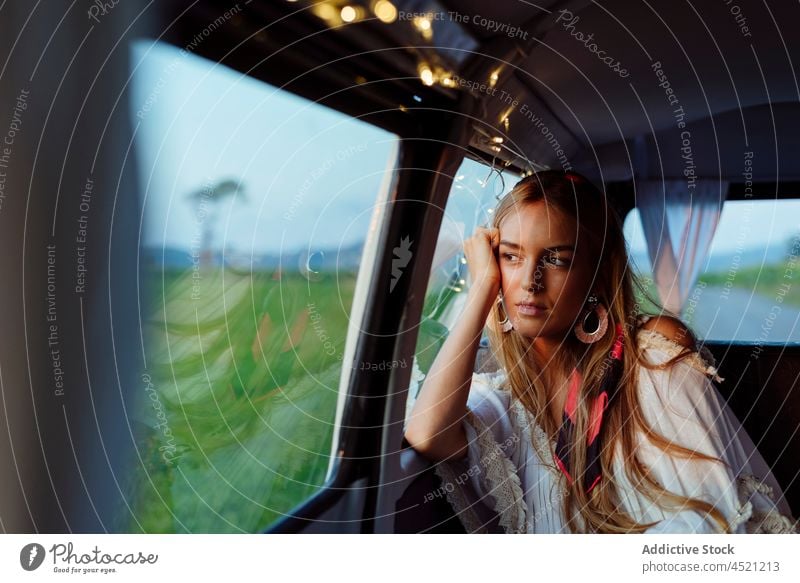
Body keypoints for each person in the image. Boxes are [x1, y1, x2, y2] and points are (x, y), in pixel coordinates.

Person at [404, 170, 798, 534]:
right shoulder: (501, 403)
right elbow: (426, 434)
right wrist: (483, 289)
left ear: (596, 270)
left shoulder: (650, 357)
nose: (529, 282)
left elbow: (717, 522)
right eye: (511, 256)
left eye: (556, 259)